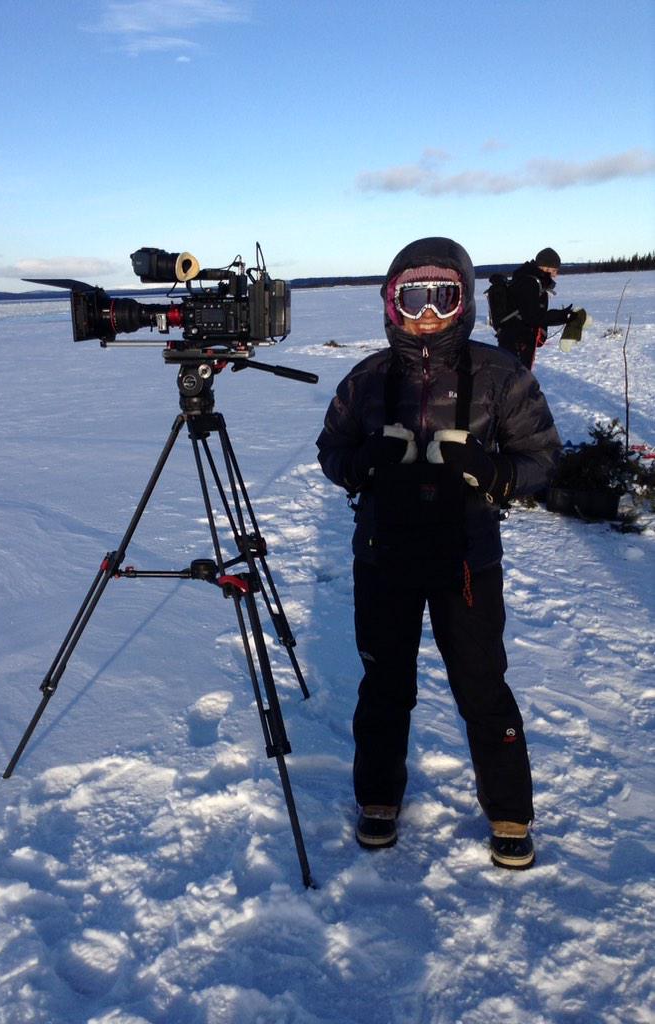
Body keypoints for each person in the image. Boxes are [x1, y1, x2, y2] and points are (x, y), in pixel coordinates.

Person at [316, 237, 561, 869]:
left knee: (482, 686)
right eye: (413, 297)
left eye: (442, 296)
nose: (427, 313)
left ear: (464, 300)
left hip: (466, 561)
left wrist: (492, 472)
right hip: (383, 555)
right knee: (384, 686)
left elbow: (541, 459)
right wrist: (361, 464)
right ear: (393, 303)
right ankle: (378, 799)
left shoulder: (501, 375)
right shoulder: (367, 379)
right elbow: (332, 451)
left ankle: (509, 809)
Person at [496, 247, 574, 369]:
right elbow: (533, 317)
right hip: (516, 341)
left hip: (519, 339)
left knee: (518, 379)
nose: (556, 275)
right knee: (516, 380)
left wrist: (561, 316)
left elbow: (534, 315)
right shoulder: (529, 283)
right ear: (545, 268)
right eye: (554, 271)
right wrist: (562, 316)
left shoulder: (532, 281)